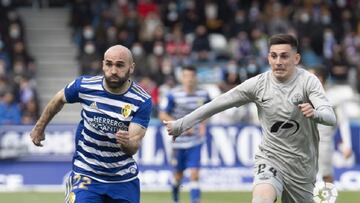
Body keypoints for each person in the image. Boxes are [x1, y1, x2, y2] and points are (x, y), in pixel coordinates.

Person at [163, 34, 337, 203]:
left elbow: (330, 117)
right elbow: (218, 103)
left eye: (284, 56)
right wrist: (181, 124)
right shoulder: (258, 84)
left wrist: (315, 114)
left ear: (296, 58)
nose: (278, 62)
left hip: (302, 166)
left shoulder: (309, 81)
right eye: (274, 56)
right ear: (268, 58)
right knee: (261, 198)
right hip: (271, 158)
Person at [30, 45, 152, 203]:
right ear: (103, 65)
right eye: (109, 64)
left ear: (131, 67)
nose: (113, 70)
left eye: (120, 65)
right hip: (87, 173)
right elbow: (58, 99)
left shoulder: (142, 100)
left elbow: (134, 146)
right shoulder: (85, 86)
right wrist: (39, 127)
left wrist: (126, 143)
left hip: (123, 179)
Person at [159, 66, 210, 203]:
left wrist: (203, 124)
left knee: (194, 174)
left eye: (192, 76)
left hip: (195, 141)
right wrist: (180, 127)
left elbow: (209, 111)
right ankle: (175, 199)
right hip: (178, 142)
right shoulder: (173, 94)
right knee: (178, 176)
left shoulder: (203, 94)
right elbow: (162, 114)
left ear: (196, 78)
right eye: (186, 76)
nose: (189, 79)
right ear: (182, 78)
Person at [309, 67, 353, 183]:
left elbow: (343, 122)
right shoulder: (303, 95)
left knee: (326, 175)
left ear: (321, 78)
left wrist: (347, 144)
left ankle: (331, 200)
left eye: (311, 76)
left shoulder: (334, 97)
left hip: (324, 141)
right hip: (304, 141)